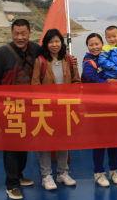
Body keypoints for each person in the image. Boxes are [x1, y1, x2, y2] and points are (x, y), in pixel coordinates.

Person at [0, 19, 42, 200]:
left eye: (23, 33)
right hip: (9, 108)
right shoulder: (1, 53)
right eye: (16, 33)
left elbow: (53, 58)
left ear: (30, 33)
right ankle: (11, 184)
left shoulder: (36, 49)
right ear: (11, 33)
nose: (20, 37)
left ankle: (19, 175)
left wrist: (71, 59)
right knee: (11, 145)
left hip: (30, 107)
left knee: (24, 144)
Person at [32, 29, 81, 190]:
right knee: (45, 142)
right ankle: (46, 175)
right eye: (51, 41)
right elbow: (35, 86)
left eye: (57, 41)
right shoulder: (40, 62)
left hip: (64, 108)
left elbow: (76, 81)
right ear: (46, 44)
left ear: (62, 42)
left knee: (63, 141)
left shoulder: (69, 60)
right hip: (46, 109)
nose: (54, 44)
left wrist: (71, 95)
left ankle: (62, 172)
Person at [82, 33, 117, 186]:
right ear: (87, 46)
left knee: (115, 139)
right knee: (100, 140)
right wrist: (113, 85)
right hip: (97, 107)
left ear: (102, 44)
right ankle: (99, 172)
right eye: (91, 44)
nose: (94, 47)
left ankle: (114, 170)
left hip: (115, 104)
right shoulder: (88, 63)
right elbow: (93, 80)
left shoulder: (111, 56)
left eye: (97, 44)